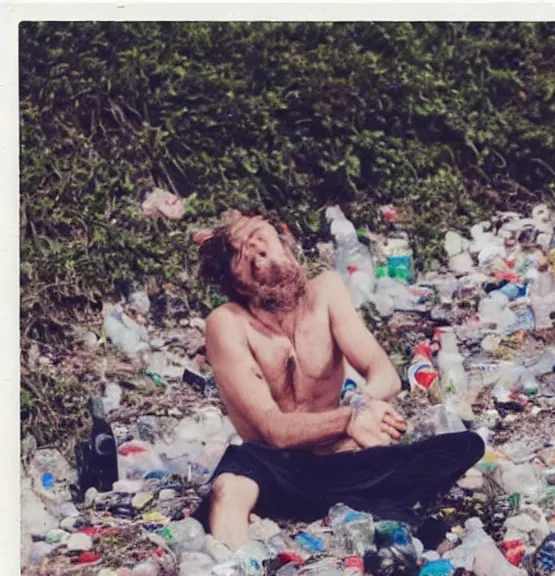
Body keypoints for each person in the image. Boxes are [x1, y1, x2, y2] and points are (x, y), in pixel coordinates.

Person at [190, 209, 484, 550]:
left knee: (464, 445)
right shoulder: (227, 323)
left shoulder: (326, 290)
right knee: (230, 484)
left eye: (263, 241)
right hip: (277, 470)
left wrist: (364, 404)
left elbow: (383, 372)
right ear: (233, 279)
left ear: (289, 244)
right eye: (243, 253)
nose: (256, 251)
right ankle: (236, 573)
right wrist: (349, 419)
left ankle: (369, 510)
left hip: (341, 462)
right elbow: (274, 429)